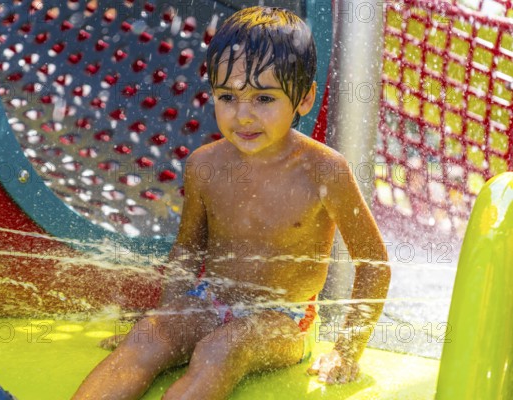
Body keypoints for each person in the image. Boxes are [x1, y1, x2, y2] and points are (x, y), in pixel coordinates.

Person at [71, 5, 390, 400]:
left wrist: (346, 352)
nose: (243, 115)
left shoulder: (324, 171)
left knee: (222, 348)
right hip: (210, 299)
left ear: (304, 98)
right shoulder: (205, 166)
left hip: (285, 319)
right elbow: (188, 249)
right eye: (228, 96)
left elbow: (373, 265)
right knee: (144, 339)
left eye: (263, 98)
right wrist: (167, 320)